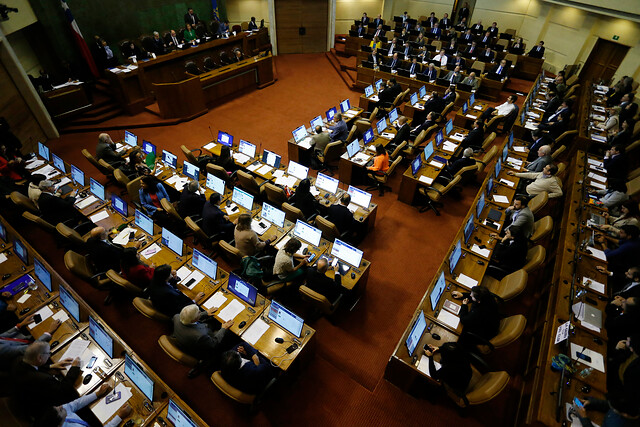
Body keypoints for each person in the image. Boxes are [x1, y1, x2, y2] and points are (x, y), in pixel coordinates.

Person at [10, 342, 87, 422]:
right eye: (48, 353)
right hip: (41, 410)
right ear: (40, 358)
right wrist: (74, 368)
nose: (49, 355)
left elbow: (33, 368)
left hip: (23, 398)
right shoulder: (43, 380)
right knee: (76, 394)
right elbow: (64, 390)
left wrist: (51, 366)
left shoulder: (17, 361)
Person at [172, 304, 232, 377]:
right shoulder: (200, 336)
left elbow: (190, 319)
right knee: (229, 333)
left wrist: (206, 313)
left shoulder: (176, 317)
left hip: (189, 339)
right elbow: (214, 343)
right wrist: (223, 329)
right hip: (205, 350)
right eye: (198, 312)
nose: (200, 311)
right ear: (194, 319)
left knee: (211, 320)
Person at [35, 384, 132, 427]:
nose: (61, 407)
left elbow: (76, 404)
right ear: (59, 424)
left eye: (57, 407)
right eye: (59, 410)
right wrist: (119, 416)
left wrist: (97, 394)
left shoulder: (58, 414)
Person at [573, 394, 640, 427]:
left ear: (625, 414)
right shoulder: (629, 405)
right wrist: (591, 403)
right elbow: (609, 405)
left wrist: (584, 418)